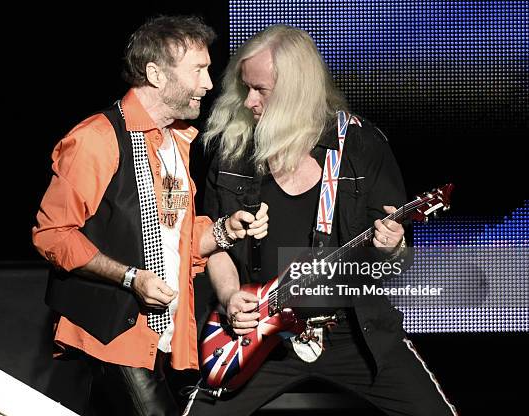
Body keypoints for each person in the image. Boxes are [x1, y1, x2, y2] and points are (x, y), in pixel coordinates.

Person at [185, 25, 457, 416]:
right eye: (245, 87)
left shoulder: (362, 146)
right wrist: (230, 299)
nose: (248, 101)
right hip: (260, 333)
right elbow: (215, 245)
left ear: (296, 91)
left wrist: (392, 247)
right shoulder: (234, 150)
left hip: (351, 330)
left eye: (260, 89)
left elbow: (395, 259)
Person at [32, 15, 268, 416]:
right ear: (156, 74)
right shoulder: (96, 138)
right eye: (199, 70)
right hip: (114, 334)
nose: (209, 84)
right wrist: (129, 276)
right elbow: (52, 234)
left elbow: (177, 240)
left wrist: (227, 231)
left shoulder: (176, 142)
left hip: (165, 336)